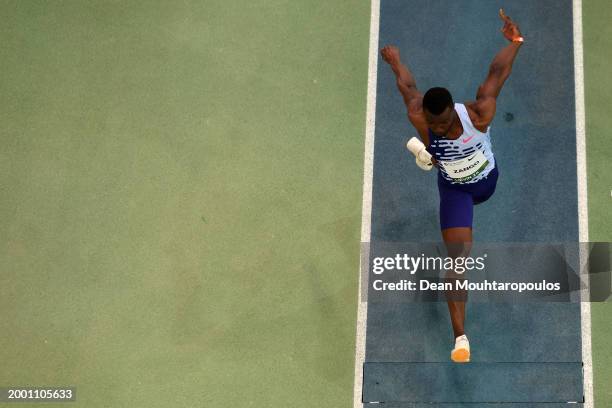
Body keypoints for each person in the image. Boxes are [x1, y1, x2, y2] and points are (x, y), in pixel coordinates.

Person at [380, 9, 524, 363]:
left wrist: (516, 42)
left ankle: (428, 158)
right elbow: (408, 87)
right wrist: (395, 62)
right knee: (458, 261)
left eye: (443, 125)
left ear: (453, 113)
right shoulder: (420, 115)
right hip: (455, 191)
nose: (439, 129)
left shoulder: (478, 113)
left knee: (431, 156)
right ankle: (460, 336)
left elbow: (497, 72)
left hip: (486, 183)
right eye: (434, 125)